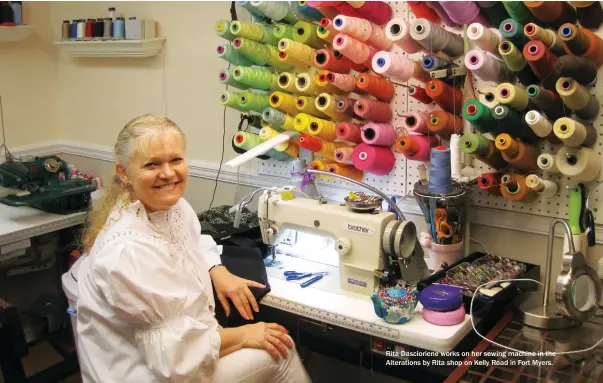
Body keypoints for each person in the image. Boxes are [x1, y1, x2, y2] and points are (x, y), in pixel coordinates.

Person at [76, 114, 312, 383]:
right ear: (124, 172)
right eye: (152, 164)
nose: (168, 173)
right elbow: (176, 359)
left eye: (175, 160)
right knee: (280, 352)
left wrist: (217, 270)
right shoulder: (128, 250)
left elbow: (195, 239)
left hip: (170, 356)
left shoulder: (170, 208)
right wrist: (245, 335)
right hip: (151, 373)